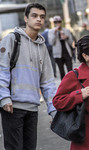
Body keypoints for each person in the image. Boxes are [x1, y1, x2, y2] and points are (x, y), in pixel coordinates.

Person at [0, 3, 57, 150]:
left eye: (42, 17)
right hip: (12, 107)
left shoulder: (42, 46)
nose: (38, 19)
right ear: (26, 18)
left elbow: (47, 81)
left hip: (32, 108)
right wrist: (4, 97)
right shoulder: (12, 39)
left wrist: (53, 109)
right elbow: (2, 70)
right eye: (34, 15)